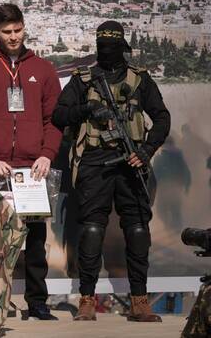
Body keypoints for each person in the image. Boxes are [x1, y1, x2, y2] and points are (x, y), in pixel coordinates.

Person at [53, 20, 170, 322]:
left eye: (112, 47)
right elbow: (59, 115)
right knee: (92, 229)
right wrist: (88, 109)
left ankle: (139, 301)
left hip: (132, 161)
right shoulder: (83, 80)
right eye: (103, 47)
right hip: (95, 161)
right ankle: (87, 299)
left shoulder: (140, 80)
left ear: (122, 47)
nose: (107, 53)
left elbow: (161, 118)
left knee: (138, 229)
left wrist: (146, 151)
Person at [0, 4, 62, 321]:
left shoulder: (44, 69)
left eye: (18, 30)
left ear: (24, 27)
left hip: (33, 169)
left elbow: (54, 120)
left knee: (35, 241)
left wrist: (47, 154)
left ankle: (37, 302)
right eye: (6, 31)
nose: (13, 36)